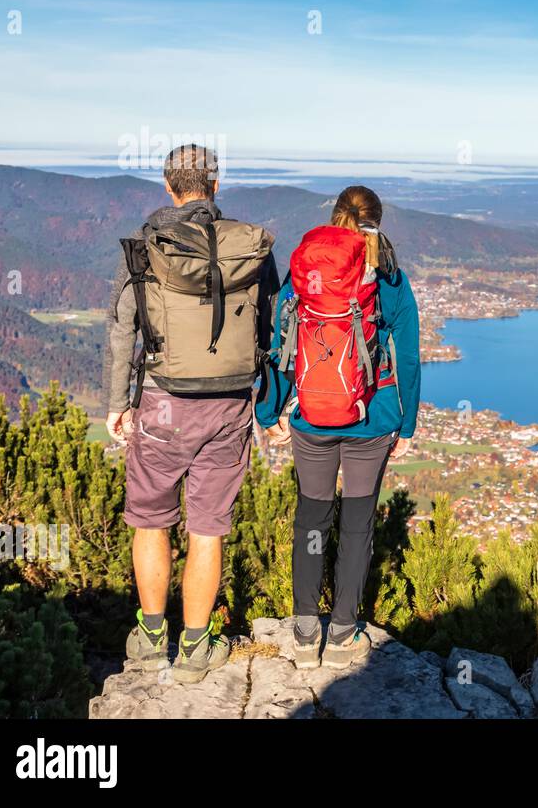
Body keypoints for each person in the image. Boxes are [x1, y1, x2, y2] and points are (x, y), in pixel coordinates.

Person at [105, 143, 280, 683]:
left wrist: (116, 405)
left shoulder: (144, 247)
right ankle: (198, 647)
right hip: (229, 403)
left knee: (151, 518)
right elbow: (270, 323)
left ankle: (153, 638)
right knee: (208, 527)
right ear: (215, 186)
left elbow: (121, 329)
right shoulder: (249, 247)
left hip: (161, 402)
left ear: (169, 187)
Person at [257, 185, 421, 670]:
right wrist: (407, 421)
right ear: (378, 222)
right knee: (356, 524)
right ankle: (344, 632)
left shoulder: (305, 270)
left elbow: (281, 341)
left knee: (311, 519)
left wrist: (271, 413)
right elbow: (407, 357)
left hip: (311, 415)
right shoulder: (390, 278)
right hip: (374, 418)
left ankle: (306, 633)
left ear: (333, 219)